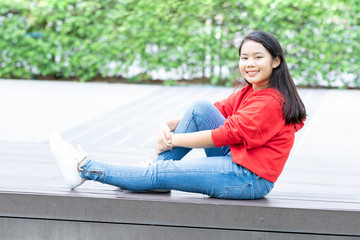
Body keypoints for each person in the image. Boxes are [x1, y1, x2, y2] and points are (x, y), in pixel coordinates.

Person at [50, 31, 306, 200]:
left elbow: (224, 135)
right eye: (244, 57)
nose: (249, 63)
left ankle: (84, 168)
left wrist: (173, 140)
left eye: (257, 57)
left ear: (276, 61)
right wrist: (166, 125)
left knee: (163, 171)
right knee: (200, 107)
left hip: (248, 178)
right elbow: (215, 112)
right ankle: (155, 173)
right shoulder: (252, 90)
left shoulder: (271, 101)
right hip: (239, 161)